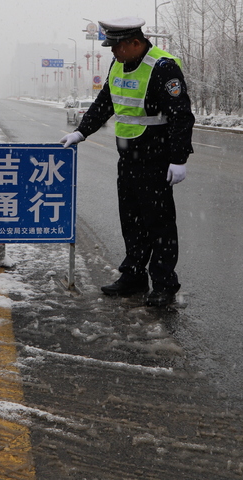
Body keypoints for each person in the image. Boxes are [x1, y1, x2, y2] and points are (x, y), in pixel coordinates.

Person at [60, 17, 194, 307]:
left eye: (117, 47)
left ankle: (164, 283)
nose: (112, 52)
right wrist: (81, 132)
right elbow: (105, 103)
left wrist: (179, 158)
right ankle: (133, 276)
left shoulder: (162, 67)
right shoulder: (118, 64)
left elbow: (181, 115)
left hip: (156, 159)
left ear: (136, 43)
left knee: (159, 225)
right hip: (128, 159)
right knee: (131, 221)